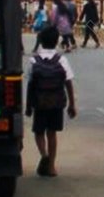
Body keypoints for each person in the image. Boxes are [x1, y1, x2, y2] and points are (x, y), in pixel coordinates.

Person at [25, 25, 76, 177]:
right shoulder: (62, 60)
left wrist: (28, 106)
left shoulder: (33, 61)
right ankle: (52, 166)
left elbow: (30, 85)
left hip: (39, 103)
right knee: (52, 133)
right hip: (57, 103)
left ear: (40, 41)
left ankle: (44, 156)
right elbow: (68, 83)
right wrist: (72, 104)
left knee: (39, 131)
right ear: (56, 41)